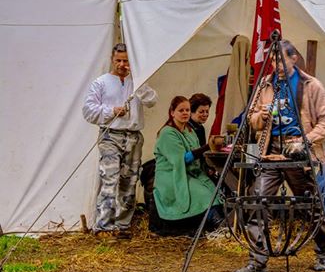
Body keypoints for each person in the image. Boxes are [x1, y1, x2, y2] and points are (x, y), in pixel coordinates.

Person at [233, 40, 325, 272]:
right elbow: (251, 118)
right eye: (273, 60)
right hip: (270, 150)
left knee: (310, 203)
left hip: (298, 149)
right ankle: (257, 260)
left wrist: (306, 140)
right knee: (258, 199)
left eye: (281, 59)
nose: (276, 64)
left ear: (294, 58)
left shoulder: (311, 85)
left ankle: (323, 253)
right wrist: (262, 115)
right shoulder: (265, 84)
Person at [82, 43, 157, 238]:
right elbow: (88, 111)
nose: (122, 64)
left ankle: (123, 225)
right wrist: (111, 111)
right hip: (110, 135)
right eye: (118, 60)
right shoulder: (101, 82)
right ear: (112, 60)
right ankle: (104, 226)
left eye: (125, 61)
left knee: (129, 181)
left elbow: (152, 101)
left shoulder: (138, 81)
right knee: (109, 178)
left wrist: (139, 83)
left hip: (133, 135)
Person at [152, 96, 223, 236]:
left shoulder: (189, 130)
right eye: (181, 110)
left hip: (190, 172)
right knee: (202, 193)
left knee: (213, 187)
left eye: (187, 110)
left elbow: (196, 156)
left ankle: (220, 223)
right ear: (172, 112)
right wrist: (208, 146)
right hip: (172, 175)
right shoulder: (167, 133)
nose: (185, 113)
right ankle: (218, 224)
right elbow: (181, 159)